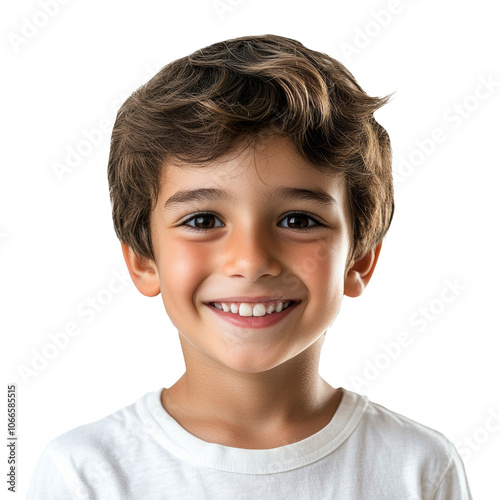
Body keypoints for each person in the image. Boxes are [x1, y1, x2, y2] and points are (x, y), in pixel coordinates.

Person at [27, 34, 473, 499]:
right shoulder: (83, 474)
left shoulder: (418, 470)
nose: (251, 261)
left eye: (298, 220)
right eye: (203, 220)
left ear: (359, 258)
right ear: (143, 259)